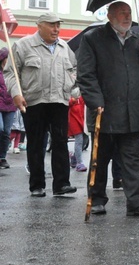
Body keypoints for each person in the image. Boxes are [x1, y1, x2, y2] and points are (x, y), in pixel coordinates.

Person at [76, 2, 139, 215]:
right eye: (122, 13)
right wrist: (95, 101)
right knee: (100, 159)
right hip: (104, 110)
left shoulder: (137, 39)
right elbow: (85, 74)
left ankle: (137, 203)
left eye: (129, 13)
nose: (127, 17)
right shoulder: (93, 38)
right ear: (110, 16)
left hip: (132, 111)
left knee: (133, 160)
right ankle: (97, 199)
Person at [4, 13, 77, 197]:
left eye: (58, 25)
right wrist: (16, 94)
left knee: (60, 142)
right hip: (34, 101)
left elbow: (74, 69)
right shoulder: (23, 45)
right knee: (36, 143)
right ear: (40, 25)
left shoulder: (64, 47)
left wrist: (70, 85)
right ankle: (37, 184)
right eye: (52, 25)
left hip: (59, 101)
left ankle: (61, 184)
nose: (56, 29)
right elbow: (11, 72)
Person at [0, 47, 17, 168]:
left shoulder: (14, 71)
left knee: (6, 132)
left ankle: (2, 157)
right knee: (0, 129)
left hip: (11, 105)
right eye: (7, 58)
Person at [67, 87, 87, 172]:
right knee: (79, 141)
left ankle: (75, 158)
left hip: (82, 120)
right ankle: (79, 163)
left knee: (84, 140)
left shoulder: (82, 97)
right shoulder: (72, 98)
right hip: (74, 120)